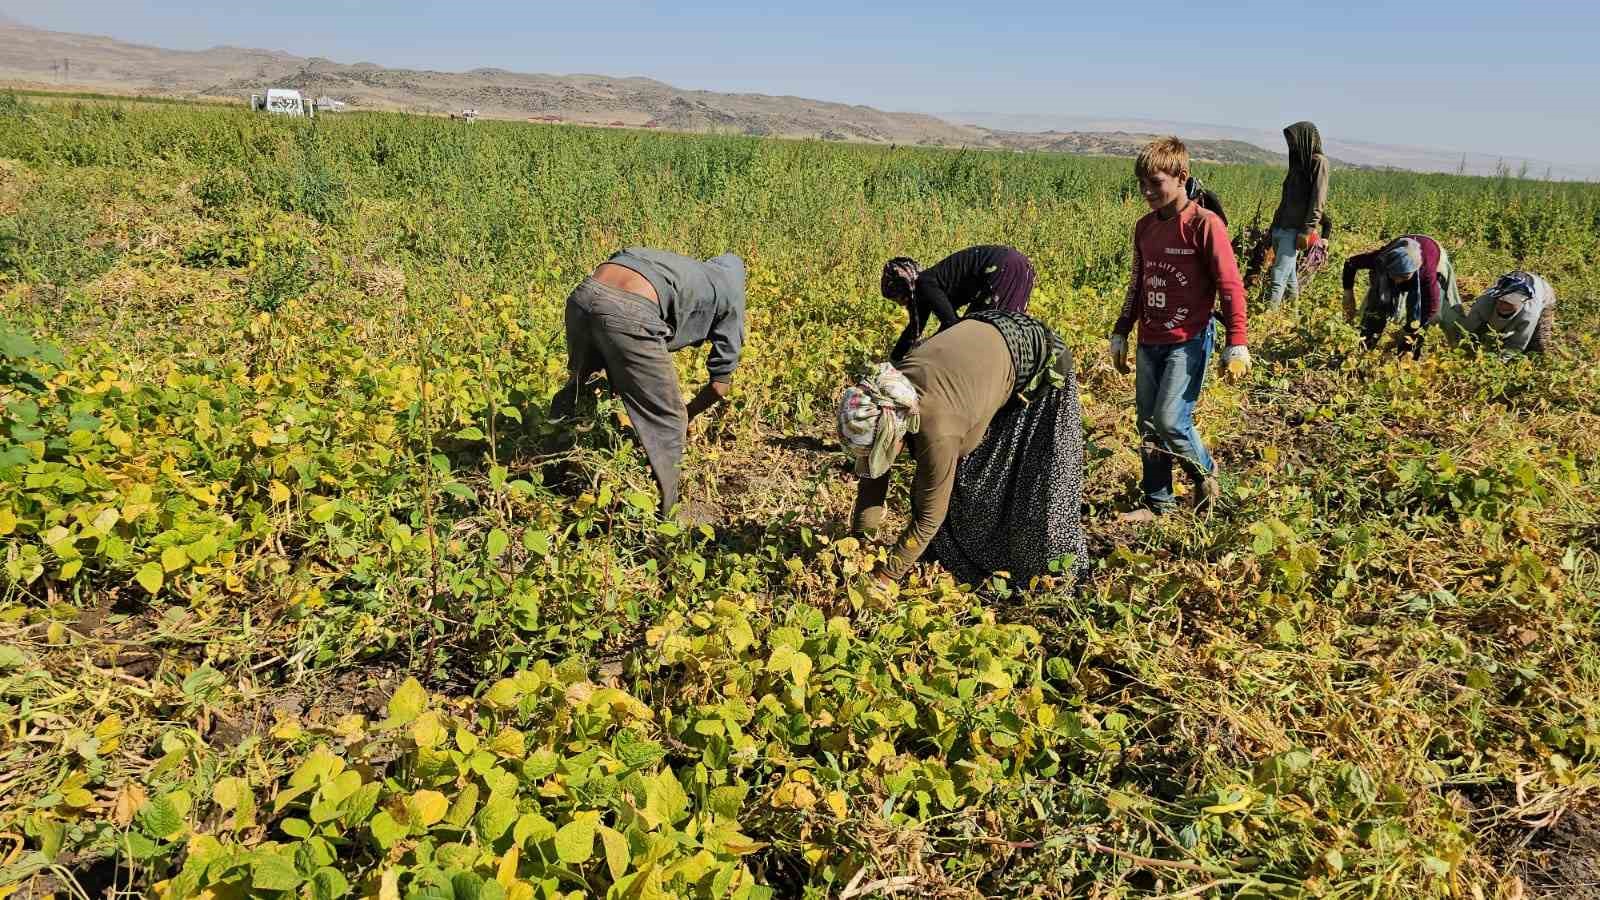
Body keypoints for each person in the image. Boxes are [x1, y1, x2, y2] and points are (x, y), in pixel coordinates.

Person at [840, 310, 1087, 591]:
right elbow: (874, 473)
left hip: (1042, 362)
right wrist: (859, 544)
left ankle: (1050, 576)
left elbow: (929, 516)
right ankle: (959, 550)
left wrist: (883, 579)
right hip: (986, 342)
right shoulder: (888, 395)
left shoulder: (938, 430)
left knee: (1017, 490)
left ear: (893, 433)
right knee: (960, 480)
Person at [1109, 137, 1250, 522]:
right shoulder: (1144, 228)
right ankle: (1159, 504)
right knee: (1148, 424)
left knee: (1171, 420)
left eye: (1155, 182)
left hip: (1188, 341)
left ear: (1181, 177)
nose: (1147, 191)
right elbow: (1138, 281)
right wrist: (1122, 329)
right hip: (1149, 339)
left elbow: (1230, 285)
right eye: (1142, 184)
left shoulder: (1205, 225)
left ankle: (1206, 471)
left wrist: (1237, 342)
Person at [549, 247, 746, 517]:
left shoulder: (688, 269)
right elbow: (719, 386)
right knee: (668, 419)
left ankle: (551, 470)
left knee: (581, 387)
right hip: (629, 308)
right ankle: (669, 518)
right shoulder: (732, 294)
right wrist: (685, 415)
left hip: (584, 294)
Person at [881, 246, 1036, 362]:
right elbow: (914, 330)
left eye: (897, 298)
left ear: (903, 288)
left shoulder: (925, 284)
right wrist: (895, 359)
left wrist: (923, 351)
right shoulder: (930, 284)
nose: (901, 304)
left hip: (1003, 268)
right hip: (1020, 265)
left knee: (986, 335)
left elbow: (953, 325)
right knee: (1000, 331)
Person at [1341, 234, 1460, 356]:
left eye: (1404, 276)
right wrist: (1348, 294)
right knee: (1377, 307)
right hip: (1398, 255)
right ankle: (1365, 346)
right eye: (1395, 275)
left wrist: (1408, 330)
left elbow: (1431, 307)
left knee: (1418, 322)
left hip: (1432, 251)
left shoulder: (1426, 273)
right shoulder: (1381, 258)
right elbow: (1350, 263)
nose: (1398, 280)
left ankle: (1407, 357)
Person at [1265, 121, 1330, 307]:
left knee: (1278, 276)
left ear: (1304, 139)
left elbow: (1318, 199)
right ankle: (1293, 315)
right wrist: (1273, 227)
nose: (1291, 145)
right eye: (1289, 142)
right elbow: (1285, 200)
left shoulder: (1318, 162)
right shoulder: (1297, 165)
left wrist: (1307, 230)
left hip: (1295, 230)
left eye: (1293, 141)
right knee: (1289, 275)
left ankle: (1268, 317)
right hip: (1282, 227)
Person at [1440, 271, 1557, 356]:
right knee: (1480, 332)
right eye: (1502, 301)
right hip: (1516, 281)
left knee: (1538, 345)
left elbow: (1516, 345)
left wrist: (1498, 362)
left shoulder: (1529, 313)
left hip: (1545, 295)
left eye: (1510, 304)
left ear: (1521, 303)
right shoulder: (1485, 301)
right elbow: (1466, 331)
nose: (1503, 306)